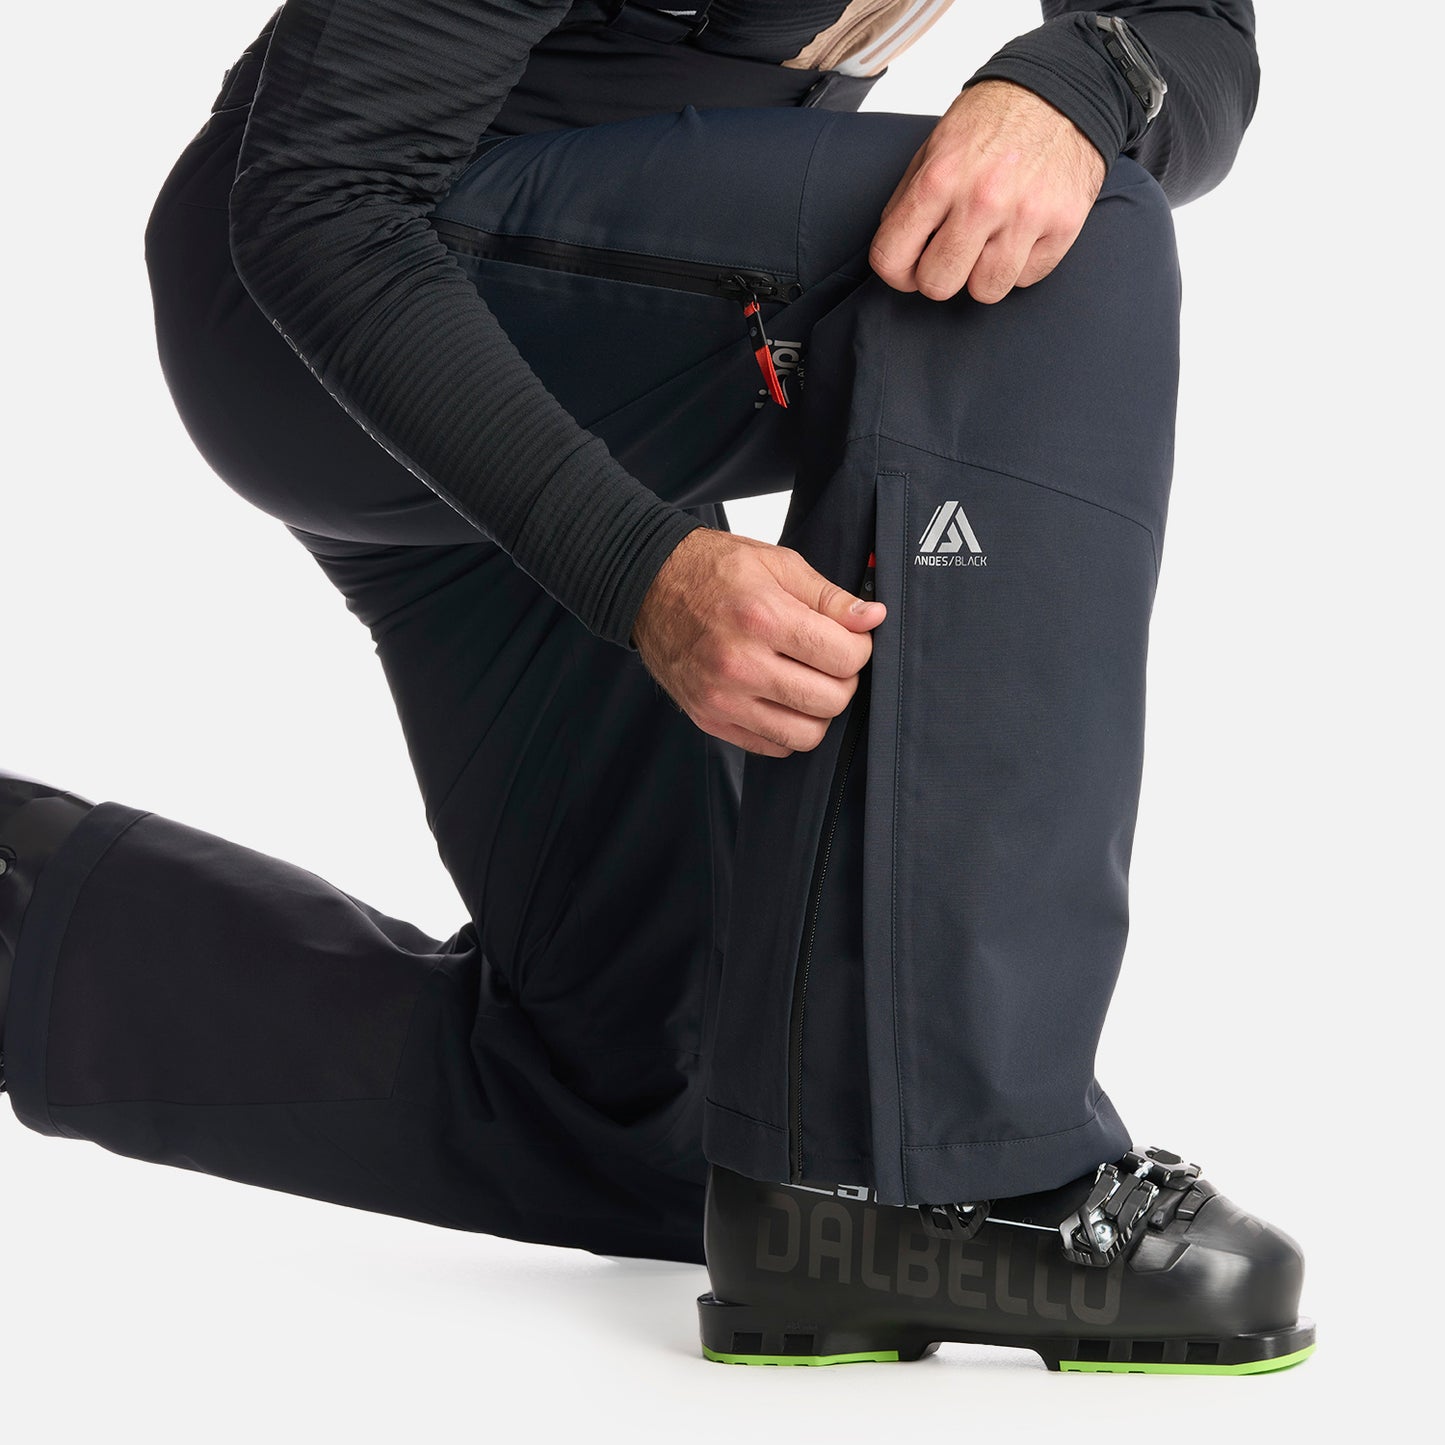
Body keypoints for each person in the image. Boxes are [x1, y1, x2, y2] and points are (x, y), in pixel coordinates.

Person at [0, 0, 1313, 1374]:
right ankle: (945, 1170)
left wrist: (1079, 76)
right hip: (339, 300)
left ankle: (26, 925)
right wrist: (635, 566)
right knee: (1061, 247)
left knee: (652, 1102)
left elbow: (1192, 34)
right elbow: (322, 196)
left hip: (588, 313)